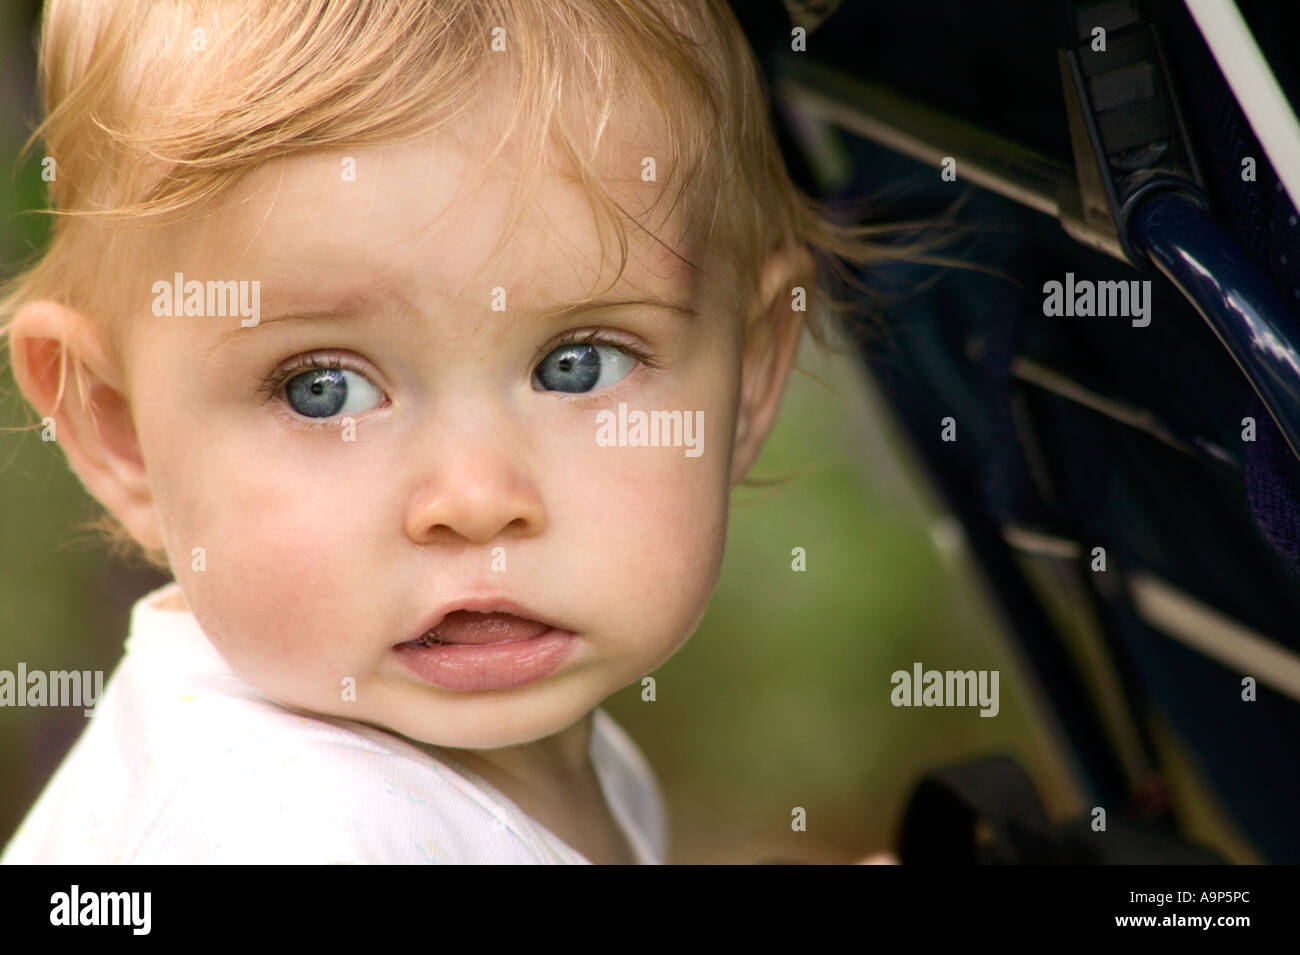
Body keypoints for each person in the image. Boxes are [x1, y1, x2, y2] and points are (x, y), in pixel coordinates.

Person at [0, 0, 909, 863]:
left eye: (578, 364)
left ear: (749, 374)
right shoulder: (284, 829)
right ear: (114, 425)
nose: (476, 500)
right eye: (324, 390)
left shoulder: (510, 754)